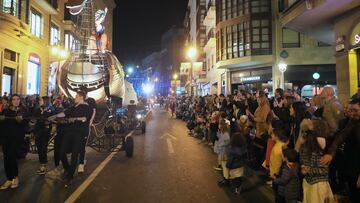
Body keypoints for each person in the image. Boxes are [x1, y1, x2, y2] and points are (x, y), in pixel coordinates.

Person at [54, 90, 93, 187]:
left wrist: (75, 119)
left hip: (80, 133)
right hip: (69, 132)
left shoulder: (88, 108)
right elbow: (64, 114)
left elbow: (85, 118)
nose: (75, 98)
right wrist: (53, 116)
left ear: (81, 97)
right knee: (61, 152)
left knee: (75, 154)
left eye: (76, 96)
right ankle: (67, 169)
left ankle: (70, 176)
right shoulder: (73, 107)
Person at [299, 120, 334, 203]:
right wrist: (303, 168)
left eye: (311, 124)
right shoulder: (306, 145)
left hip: (317, 185)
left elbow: (324, 170)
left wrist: (308, 170)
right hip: (310, 182)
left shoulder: (316, 147)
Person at [0, 94, 28, 189]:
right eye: (14, 99)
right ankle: (9, 179)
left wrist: (21, 121)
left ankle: (15, 178)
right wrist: (1, 119)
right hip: (5, 137)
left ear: (20, 100)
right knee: (6, 158)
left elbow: (25, 124)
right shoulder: (5, 111)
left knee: (12, 156)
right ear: (11, 101)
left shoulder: (23, 111)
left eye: (17, 99)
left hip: (16, 138)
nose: (16, 101)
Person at [32, 96, 55, 175]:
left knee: (43, 147)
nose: (39, 101)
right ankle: (41, 163)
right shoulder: (38, 109)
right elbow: (34, 119)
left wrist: (48, 123)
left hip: (46, 131)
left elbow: (53, 120)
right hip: (38, 131)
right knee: (39, 147)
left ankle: (43, 165)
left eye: (41, 100)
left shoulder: (51, 110)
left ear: (45, 101)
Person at [78, 88, 97, 173]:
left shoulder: (91, 101)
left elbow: (93, 112)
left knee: (82, 144)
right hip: (77, 125)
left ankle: (82, 161)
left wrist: (90, 122)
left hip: (86, 125)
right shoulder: (78, 100)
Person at [215, 119, 231, 186]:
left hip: (224, 152)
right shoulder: (222, 132)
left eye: (220, 124)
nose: (219, 125)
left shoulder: (226, 133)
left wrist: (220, 144)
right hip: (222, 151)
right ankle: (225, 178)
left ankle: (226, 180)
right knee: (223, 166)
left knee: (225, 166)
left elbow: (227, 142)